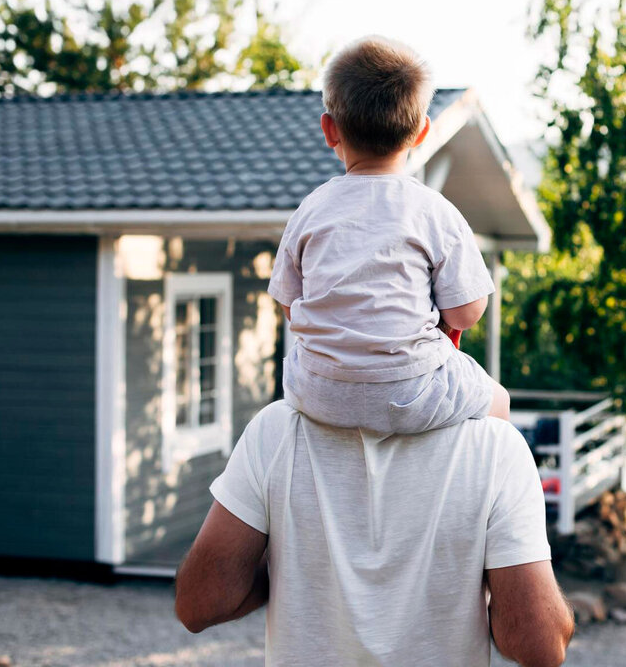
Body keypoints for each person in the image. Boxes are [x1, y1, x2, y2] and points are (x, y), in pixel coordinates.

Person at [174, 401, 574, 666]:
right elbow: (539, 643)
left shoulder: (276, 430)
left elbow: (198, 604)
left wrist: (291, 558)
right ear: (452, 329)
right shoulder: (494, 445)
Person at [267, 35, 509, 434]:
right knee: (499, 400)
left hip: (317, 391)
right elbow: (467, 312)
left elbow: (291, 305)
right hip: (411, 391)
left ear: (330, 130)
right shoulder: (434, 210)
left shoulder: (309, 209)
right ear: (421, 132)